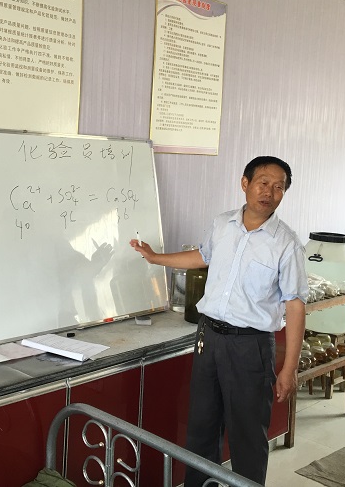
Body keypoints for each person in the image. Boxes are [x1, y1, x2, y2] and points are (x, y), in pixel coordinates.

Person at [130, 156, 308, 486]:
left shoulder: (286, 243)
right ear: (245, 183)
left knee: (247, 436)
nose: (269, 192)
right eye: (263, 183)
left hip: (251, 347)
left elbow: (295, 305)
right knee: (202, 428)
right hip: (208, 338)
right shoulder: (222, 224)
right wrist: (156, 258)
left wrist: (290, 367)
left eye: (279, 187)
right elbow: (202, 256)